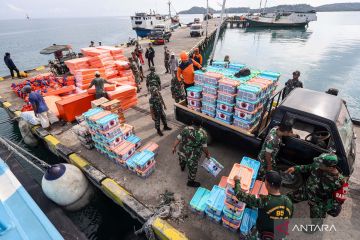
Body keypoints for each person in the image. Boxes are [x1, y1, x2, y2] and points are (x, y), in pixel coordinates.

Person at [286, 153, 346, 228]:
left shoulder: (340, 182)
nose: (318, 164)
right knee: (287, 199)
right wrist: (296, 168)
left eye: (321, 164)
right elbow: (308, 167)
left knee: (316, 219)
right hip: (305, 191)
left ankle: (314, 227)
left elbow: (339, 201)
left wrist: (320, 205)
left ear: (330, 167)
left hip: (317, 202)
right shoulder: (318, 165)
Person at [234, 171, 293, 239]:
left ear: (267, 184)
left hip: (265, 233)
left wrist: (237, 180)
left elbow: (239, 195)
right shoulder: (288, 201)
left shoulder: (264, 200)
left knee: (254, 235)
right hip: (280, 234)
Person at [172, 119, 210, 187]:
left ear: (192, 122)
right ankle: (190, 182)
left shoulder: (186, 129)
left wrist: (174, 147)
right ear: (201, 125)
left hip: (182, 151)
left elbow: (178, 138)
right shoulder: (203, 133)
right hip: (193, 156)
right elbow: (204, 147)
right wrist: (207, 154)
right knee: (193, 169)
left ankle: (182, 166)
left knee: (182, 159)